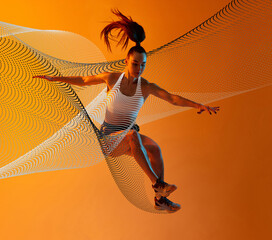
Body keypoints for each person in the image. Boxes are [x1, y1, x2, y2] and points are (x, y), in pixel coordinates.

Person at [33, 9, 219, 213]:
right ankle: (158, 185)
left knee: (154, 148)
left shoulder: (146, 86)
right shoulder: (112, 79)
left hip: (128, 137)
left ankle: (160, 200)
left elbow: (172, 98)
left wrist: (198, 105)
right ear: (126, 62)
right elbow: (83, 81)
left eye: (143, 65)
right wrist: (55, 78)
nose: (139, 68)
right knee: (133, 135)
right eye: (135, 64)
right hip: (108, 140)